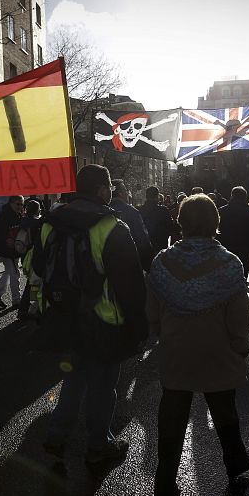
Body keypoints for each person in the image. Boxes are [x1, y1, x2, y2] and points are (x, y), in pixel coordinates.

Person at [147, 194, 249, 496]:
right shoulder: (230, 263)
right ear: (214, 223)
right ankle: (235, 461)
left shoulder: (162, 262)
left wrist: (160, 334)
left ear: (181, 223)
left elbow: (151, 310)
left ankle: (164, 485)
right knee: (225, 413)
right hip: (217, 350)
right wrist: (241, 345)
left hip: (176, 350)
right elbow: (240, 314)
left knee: (171, 420)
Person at [37, 165, 147, 468]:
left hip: (63, 317)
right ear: (102, 189)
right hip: (103, 322)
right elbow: (131, 285)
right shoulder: (112, 226)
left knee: (73, 378)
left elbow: (38, 268)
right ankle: (99, 445)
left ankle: (55, 437)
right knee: (103, 387)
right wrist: (139, 327)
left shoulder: (50, 224)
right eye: (109, 186)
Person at [110, 179, 154, 271]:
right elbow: (142, 241)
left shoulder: (103, 211)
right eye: (126, 190)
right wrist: (150, 266)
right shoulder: (131, 212)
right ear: (120, 193)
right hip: (130, 264)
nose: (128, 193)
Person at [0, 195, 24, 308]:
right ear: (11, 203)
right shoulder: (5, 215)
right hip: (7, 250)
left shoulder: (18, 214)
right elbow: (0, 234)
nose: (20, 206)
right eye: (18, 204)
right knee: (15, 273)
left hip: (14, 249)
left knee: (9, 272)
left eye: (22, 204)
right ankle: (16, 300)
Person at [218, 186, 249, 280]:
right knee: (242, 279)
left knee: (225, 280)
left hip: (225, 249)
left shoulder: (222, 211)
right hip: (244, 250)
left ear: (232, 196)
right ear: (245, 197)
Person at [140, 186, 175, 255]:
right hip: (161, 247)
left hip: (144, 248)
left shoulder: (139, 210)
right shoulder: (163, 210)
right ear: (157, 196)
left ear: (146, 196)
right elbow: (170, 227)